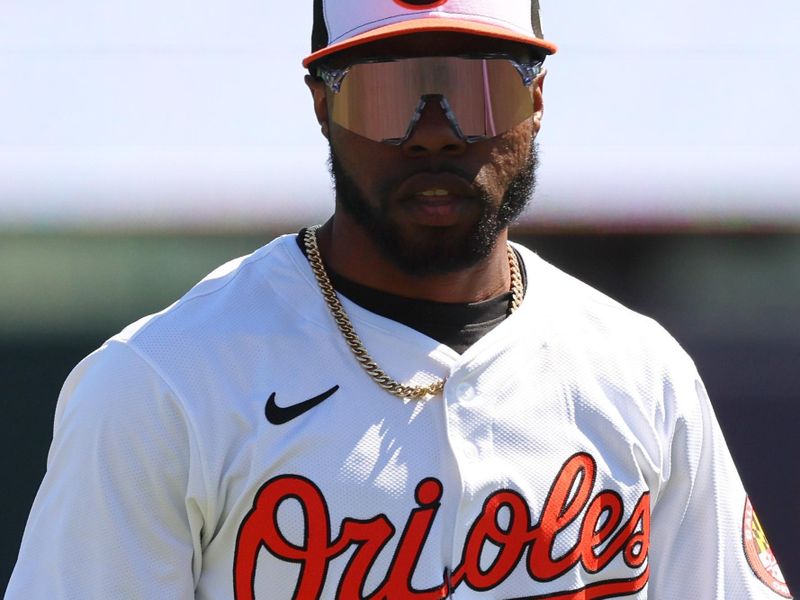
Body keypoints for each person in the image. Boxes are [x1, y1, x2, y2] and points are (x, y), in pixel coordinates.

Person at [7, 0, 793, 598]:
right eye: (388, 95)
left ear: (538, 98)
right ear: (321, 105)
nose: (434, 134)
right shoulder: (163, 382)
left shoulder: (641, 372)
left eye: (478, 89)